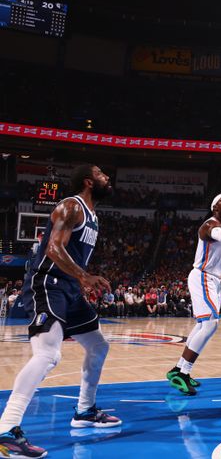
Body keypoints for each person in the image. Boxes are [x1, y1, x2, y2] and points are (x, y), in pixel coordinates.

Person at [0, 164, 120, 458]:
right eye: (103, 174)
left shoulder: (93, 217)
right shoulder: (71, 206)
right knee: (48, 354)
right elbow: (54, 249)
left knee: (98, 346)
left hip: (68, 288)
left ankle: (84, 411)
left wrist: (81, 279)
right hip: (47, 283)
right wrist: (84, 276)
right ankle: (6, 430)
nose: (108, 178)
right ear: (89, 182)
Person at [166, 194, 221, 395]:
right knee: (210, 325)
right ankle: (184, 372)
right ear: (215, 207)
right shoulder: (209, 225)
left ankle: (178, 369)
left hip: (214, 280)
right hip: (204, 276)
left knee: (202, 325)